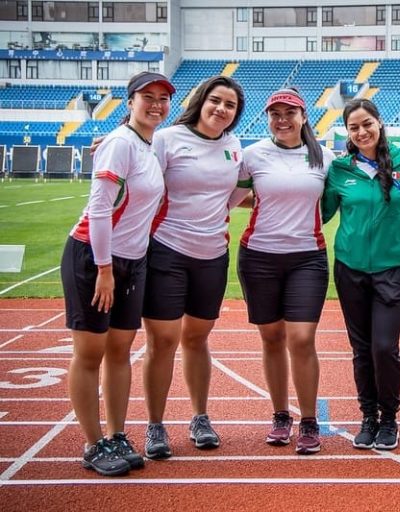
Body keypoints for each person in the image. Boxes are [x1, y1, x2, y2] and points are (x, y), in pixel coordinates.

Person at [62, 71, 173, 476]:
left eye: (163, 98)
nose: (156, 104)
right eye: (148, 96)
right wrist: (105, 269)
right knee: (90, 353)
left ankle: (115, 434)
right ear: (130, 102)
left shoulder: (147, 144)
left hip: (133, 261)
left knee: (120, 350)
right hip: (95, 258)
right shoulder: (121, 143)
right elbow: (99, 210)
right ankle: (93, 444)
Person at [139, 75, 245, 460]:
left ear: (236, 114)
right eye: (216, 100)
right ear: (201, 101)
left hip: (213, 255)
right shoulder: (168, 139)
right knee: (163, 341)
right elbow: (141, 178)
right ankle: (155, 424)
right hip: (166, 251)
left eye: (230, 105)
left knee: (197, 339)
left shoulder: (234, 146)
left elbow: (236, 194)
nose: (221, 109)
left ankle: (200, 417)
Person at [322, 99, 400, 450]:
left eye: (367, 123)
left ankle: (390, 418)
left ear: (380, 123)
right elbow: (321, 213)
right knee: (361, 349)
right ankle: (368, 417)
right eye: (354, 127)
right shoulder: (340, 169)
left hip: (391, 270)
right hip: (350, 270)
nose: (362, 131)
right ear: (348, 133)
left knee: (384, 347)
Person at [234, 88, 335, 455]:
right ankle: (280, 415)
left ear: (304, 116)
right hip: (258, 257)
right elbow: (232, 191)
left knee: (302, 339)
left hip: (307, 258)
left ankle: (309, 419)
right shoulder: (252, 155)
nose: (282, 119)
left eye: (289, 112)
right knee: (272, 338)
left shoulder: (324, 157)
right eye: (275, 113)